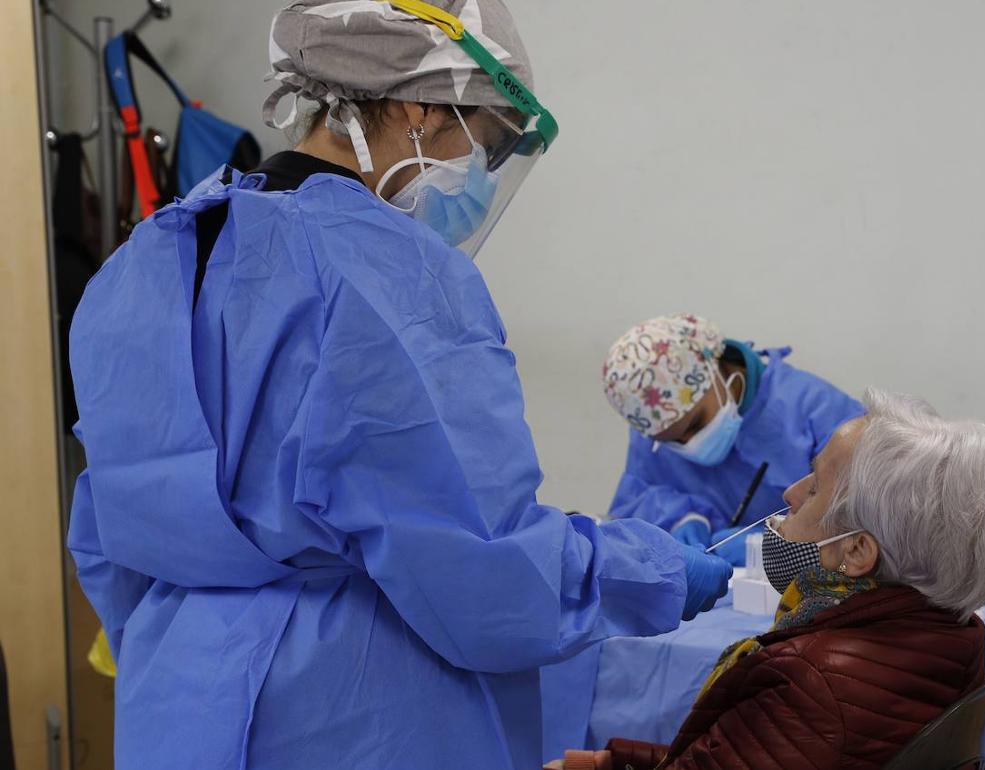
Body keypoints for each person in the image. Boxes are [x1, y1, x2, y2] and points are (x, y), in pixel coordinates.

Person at [65, 2, 730, 769]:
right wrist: (651, 571)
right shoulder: (392, 278)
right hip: (352, 713)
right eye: (485, 142)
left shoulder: (144, 260)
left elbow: (106, 538)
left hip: (174, 701)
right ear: (420, 105)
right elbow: (479, 567)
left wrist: (198, 643)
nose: (479, 173)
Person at [554, 388, 985, 770]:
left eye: (815, 487)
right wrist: (619, 762)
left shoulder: (809, 679)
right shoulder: (954, 635)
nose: (790, 493)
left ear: (857, 550)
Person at [602, 314, 864, 564]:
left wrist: (786, 542)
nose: (691, 444)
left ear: (718, 371)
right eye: (674, 442)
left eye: (696, 423)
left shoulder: (814, 409)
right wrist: (682, 518)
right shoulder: (654, 421)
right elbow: (636, 498)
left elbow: (870, 513)